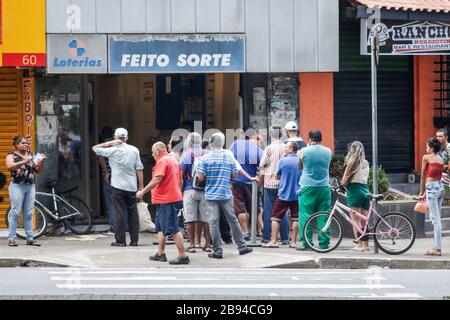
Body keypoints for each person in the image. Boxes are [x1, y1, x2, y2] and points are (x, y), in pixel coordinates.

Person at [196, 132, 253, 259]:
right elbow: (234, 175)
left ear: (211, 143)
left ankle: (217, 251)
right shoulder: (228, 155)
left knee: (213, 222)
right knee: (233, 220)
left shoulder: (205, 157)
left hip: (211, 195)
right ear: (222, 143)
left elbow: (200, 177)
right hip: (226, 194)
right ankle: (242, 247)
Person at [137, 142, 190, 265]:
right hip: (167, 198)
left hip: (168, 200)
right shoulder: (173, 160)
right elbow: (180, 180)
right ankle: (161, 253)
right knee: (160, 227)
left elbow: (157, 179)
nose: (152, 154)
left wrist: (143, 191)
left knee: (173, 228)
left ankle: (183, 256)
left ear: (158, 151)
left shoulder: (163, 160)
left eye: (152, 151)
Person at [92, 128, 143, 247]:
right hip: (131, 186)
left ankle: (120, 241)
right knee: (133, 213)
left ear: (115, 138)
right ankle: (134, 240)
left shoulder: (111, 150)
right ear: (127, 138)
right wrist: (141, 187)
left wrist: (109, 143)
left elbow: (94, 148)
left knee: (119, 213)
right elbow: (139, 169)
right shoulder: (134, 150)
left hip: (117, 186)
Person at [6, 136, 46, 247]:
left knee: (28, 213)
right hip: (17, 186)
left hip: (30, 186)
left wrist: (41, 163)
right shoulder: (11, 155)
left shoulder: (31, 155)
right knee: (15, 212)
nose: (26, 145)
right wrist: (25, 161)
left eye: (27, 143)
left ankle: (30, 239)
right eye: (23, 143)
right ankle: (12, 239)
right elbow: (9, 167)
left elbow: (37, 171)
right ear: (16, 144)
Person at [262, 141, 302, 248]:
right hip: (297, 193)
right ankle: (293, 242)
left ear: (291, 149)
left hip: (283, 193)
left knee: (275, 217)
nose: (284, 148)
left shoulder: (283, 161)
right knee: (295, 218)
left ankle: (274, 241)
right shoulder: (300, 161)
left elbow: (277, 177)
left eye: (286, 147)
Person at [298, 130, 332, 250]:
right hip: (324, 186)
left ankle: (307, 243)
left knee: (305, 215)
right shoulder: (328, 151)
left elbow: (300, 166)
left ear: (309, 139)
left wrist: (302, 153)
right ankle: (324, 243)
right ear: (321, 139)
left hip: (308, 186)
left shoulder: (304, 151)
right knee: (324, 215)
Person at [179, 132, 212, 253]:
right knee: (206, 218)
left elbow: (180, 173)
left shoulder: (187, 155)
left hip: (189, 189)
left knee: (190, 218)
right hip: (205, 190)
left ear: (189, 142)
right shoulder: (207, 153)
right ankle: (208, 244)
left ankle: (192, 245)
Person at [258, 126, 290, 245]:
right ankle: (285, 238)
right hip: (283, 183)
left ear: (270, 134)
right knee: (284, 210)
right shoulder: (286, 147)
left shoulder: (269, 148)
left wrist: (260, 183)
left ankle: (267, 237)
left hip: (270, 183)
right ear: (281, 134)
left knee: (269, 211)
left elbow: (262, 165)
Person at [230, 132, 263, 240]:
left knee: (240, 208)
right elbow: (262, 169)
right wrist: (260, 185)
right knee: (255, 207)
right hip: (252, 183)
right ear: (256, 138)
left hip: (236, 181)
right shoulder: (259, 151)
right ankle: (262, 229)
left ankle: (245, 232)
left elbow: (230, 159)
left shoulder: (235, 144)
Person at [341, 141, 370, 253]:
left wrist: (341, 185)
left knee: (355, 221)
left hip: (355, 191)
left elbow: (344, 180)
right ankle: (366, 246)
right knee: (364, 222)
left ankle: (359, 245)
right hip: (365, 190)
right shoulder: (366, 162)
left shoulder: (351, 162)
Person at [419, 137, 445, 257]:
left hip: (432, 189)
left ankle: (437, 249)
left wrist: (421, 192)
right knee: (436, 218)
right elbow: (436, 175)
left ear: (431, 148)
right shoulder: (440, 159)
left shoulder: (426, 157)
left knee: (435, 220)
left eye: (427, 146)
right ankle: (436, 247)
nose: (426, 148)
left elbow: (423, 176)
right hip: (440, 188)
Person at [97, 126, 115, 233]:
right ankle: (125, 225)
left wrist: (106, 173)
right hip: (119, 176)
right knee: (121, 203)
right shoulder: (116, 145)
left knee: (110, 202)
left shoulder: (103, 146)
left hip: (110, 176)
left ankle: (113, 226)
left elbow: (101, 158)